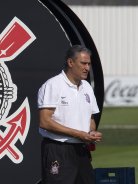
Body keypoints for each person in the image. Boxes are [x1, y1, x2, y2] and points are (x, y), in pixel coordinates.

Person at [37, 45, 102, 184]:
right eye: (83, 63)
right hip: (58, 149)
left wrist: (91, 132)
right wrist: (79, 134)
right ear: (70, 62)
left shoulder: (87, 87)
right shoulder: (53, 85)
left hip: (81, 150)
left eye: (89, 64)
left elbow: (90, 118)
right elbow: (45, 121)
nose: (87, 68)